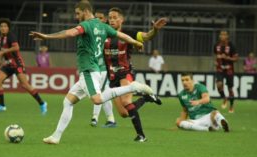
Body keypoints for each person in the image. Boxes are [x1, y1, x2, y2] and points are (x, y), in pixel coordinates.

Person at [29, 1, 153, 144]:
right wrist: (136, 42)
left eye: (77, 13)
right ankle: (56, 137)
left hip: (89, 70)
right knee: (68, 102)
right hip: (97, 71)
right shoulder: (103, 26)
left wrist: (47, 37)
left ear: (86, 11)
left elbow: (70, 33)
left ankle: (133, 87)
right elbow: (121, 35)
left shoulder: (86, 25)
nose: (76, 17)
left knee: (97, 99)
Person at [104, 7, 167, 142]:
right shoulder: (104, 35)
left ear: (122, 20)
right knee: (124, 113)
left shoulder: (129, 34)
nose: (112, 20)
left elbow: (147, 36)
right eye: (110, 17)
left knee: (126, 101)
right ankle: (146, 98)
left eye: (115, 17)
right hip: (112, 77)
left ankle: (141, 136)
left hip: (125, 73)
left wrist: (155, 29)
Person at [0, 18, 48, 115]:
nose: (3, 28)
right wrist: (0, 61)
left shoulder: (11, 36)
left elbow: (16, 47)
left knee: (25, 85)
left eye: (5, 26)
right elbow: (2, 50)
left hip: (17, 63)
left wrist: (3, 52)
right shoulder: (0, 38)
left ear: (8, 28)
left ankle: (42, 103)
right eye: (1, 26)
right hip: (8, 64)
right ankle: (2, 105)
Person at [90, 9, 117, 128]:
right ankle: (110, 119)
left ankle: (95, 117)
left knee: (99, 92)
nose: (97, 20)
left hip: (105, 68)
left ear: (105, 20)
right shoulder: (95, 31)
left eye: (100, 18)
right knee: (103, 92)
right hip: (97, 67)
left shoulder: (107, 31)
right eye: (96, 17)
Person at [214, 30, 239, 113]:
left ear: (227, 36)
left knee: (230, 89)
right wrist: (216, 61)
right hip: (220, 69)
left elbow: (236, 58)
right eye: (221, 34)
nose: (223, 36)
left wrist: (227, 58)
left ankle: (231, 107)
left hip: (229, 70)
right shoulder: (216, 45)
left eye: (224, 34)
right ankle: (224, 98)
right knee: (219, 85)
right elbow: (216, 55)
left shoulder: (231, 46)